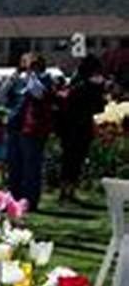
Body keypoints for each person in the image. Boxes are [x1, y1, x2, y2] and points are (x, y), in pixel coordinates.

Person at [56, 56, 106, 203]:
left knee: (67, 159)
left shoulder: (75, 85)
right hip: (83, 127)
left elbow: (64, 100)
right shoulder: (93, 87)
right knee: (76, 160)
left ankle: (64, 191)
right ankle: (70, 190)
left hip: (68, 126)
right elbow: (99, 107)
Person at [13, 54, 53, 210]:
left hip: (35, 129)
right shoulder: (28, 80)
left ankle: (30, 200)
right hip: (24, 128)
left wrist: (31, 76)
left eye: (30, 66)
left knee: (32, 167)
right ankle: (19, 198)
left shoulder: (44, 81)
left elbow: (38, 93)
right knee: (21, 165)